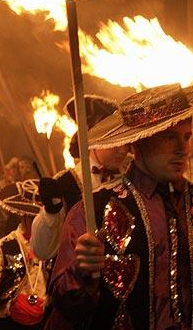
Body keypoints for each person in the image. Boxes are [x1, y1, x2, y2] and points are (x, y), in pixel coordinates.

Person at [47, 83, 193, 329]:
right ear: (139, 142)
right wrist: (81, 271)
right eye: (169, 137)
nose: (183, 149)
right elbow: (64, 306)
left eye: (186, 137)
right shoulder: (95, 210)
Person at [30, 95, 128, 261]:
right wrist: (51, 212)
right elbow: (42, 252)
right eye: (114, 140)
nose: (122, 150)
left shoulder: (132, 177)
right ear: (91, 138)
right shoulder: (65, 183)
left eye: (125, 141)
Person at [0, 179, 50, 330]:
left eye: (41, 217)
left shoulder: (53, 245)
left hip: (45, 322)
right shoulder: (5, 245)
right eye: (32, 217)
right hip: (11, 322)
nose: (37, 222)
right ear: (21, 215)